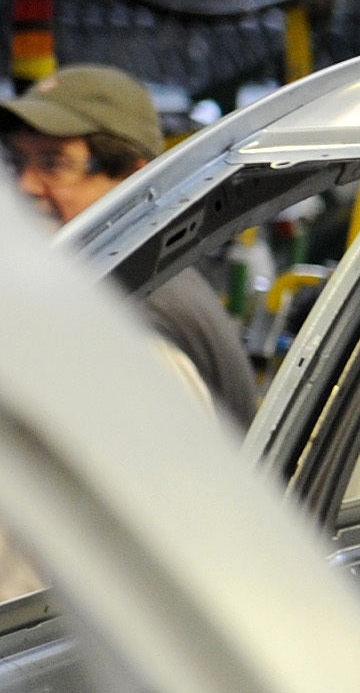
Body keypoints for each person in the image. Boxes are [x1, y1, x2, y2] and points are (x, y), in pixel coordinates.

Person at [3, 66, 255, 430]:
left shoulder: (133, 329)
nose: (25, 185)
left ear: (132, 179)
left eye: (53, 164)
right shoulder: (125, 285)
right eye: (18, 162)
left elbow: (171, 484)